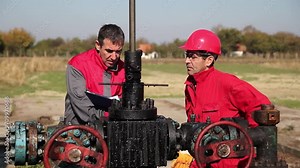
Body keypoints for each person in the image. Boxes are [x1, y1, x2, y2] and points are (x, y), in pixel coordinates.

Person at [178, 29, 271, 168]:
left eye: (193, 57)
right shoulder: (191, 86)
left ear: (209, 60)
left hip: (229, 163)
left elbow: (262, 108)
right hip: (203, 160)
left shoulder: (228, 84)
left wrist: (243, 141)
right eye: (187, 55)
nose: (187, 61)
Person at [64, 24, 125, 125]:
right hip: (80, 128)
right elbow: (82, 105)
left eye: (118, 51)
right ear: (98, 45)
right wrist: (108, 116)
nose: (114, 57)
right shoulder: (78, 65)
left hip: (113, 127)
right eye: (109, 51)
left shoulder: (124, 69)